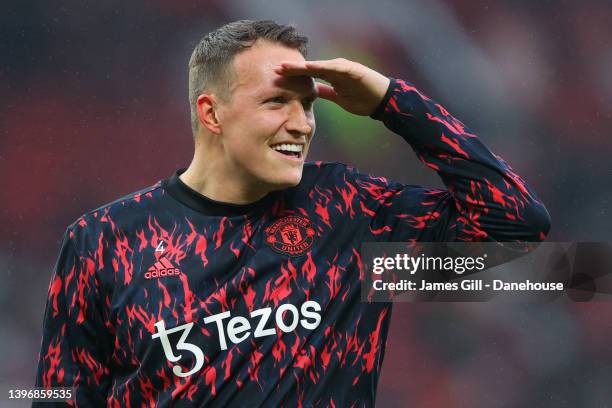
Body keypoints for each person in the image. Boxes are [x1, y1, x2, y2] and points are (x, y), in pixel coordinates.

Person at [34, 20, 550, 407]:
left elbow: (517, 224)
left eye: (308, 105)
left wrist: (393, 102)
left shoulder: (347, 209)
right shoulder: (102, 240)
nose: (301, 123)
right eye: (277, 102)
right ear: (211, 112)